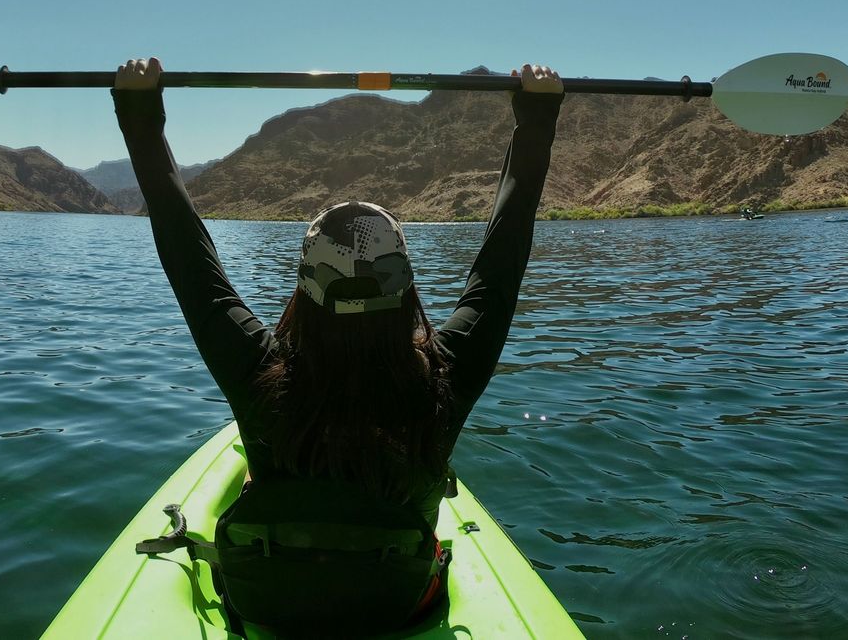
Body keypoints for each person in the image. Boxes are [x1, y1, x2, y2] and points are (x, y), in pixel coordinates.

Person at [113, 58, 563, 634]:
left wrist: (139, 113)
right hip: (395, 605)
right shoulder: (447, 375)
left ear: (305, 287)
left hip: (264, 604)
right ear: (405, 286)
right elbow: (505, 250)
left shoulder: (257, 371)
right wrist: (537, 116)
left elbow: (185, 247)